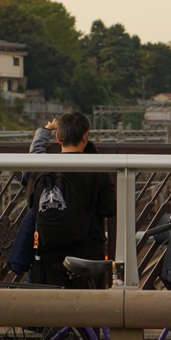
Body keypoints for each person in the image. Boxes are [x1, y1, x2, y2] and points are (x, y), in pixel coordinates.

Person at [29, 111, 116, 289]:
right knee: (89, 309)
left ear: (58, 138)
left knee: (56, 309)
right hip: (87, 254)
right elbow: (110, 208)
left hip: (50, 254)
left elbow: (35, 154)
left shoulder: (42, 166)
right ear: (85, 136)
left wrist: (44, 130)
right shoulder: (97, 169)